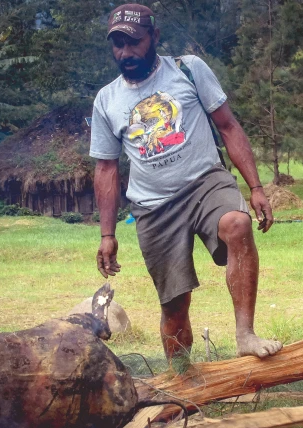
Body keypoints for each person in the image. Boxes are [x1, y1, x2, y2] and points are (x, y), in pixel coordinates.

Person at [90, 4, 282, 362]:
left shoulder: (189, 70)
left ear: (155, 37)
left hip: (205, 182)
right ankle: (180, 379)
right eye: (118, 44)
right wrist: (107, 234)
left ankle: (246, 335)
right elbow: (106, 169)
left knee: (237, 225)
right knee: (175, 304)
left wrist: (256, 187)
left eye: (134, 42)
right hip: (153, 207)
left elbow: (228, 126)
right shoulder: (107, 100)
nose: (126, 53)